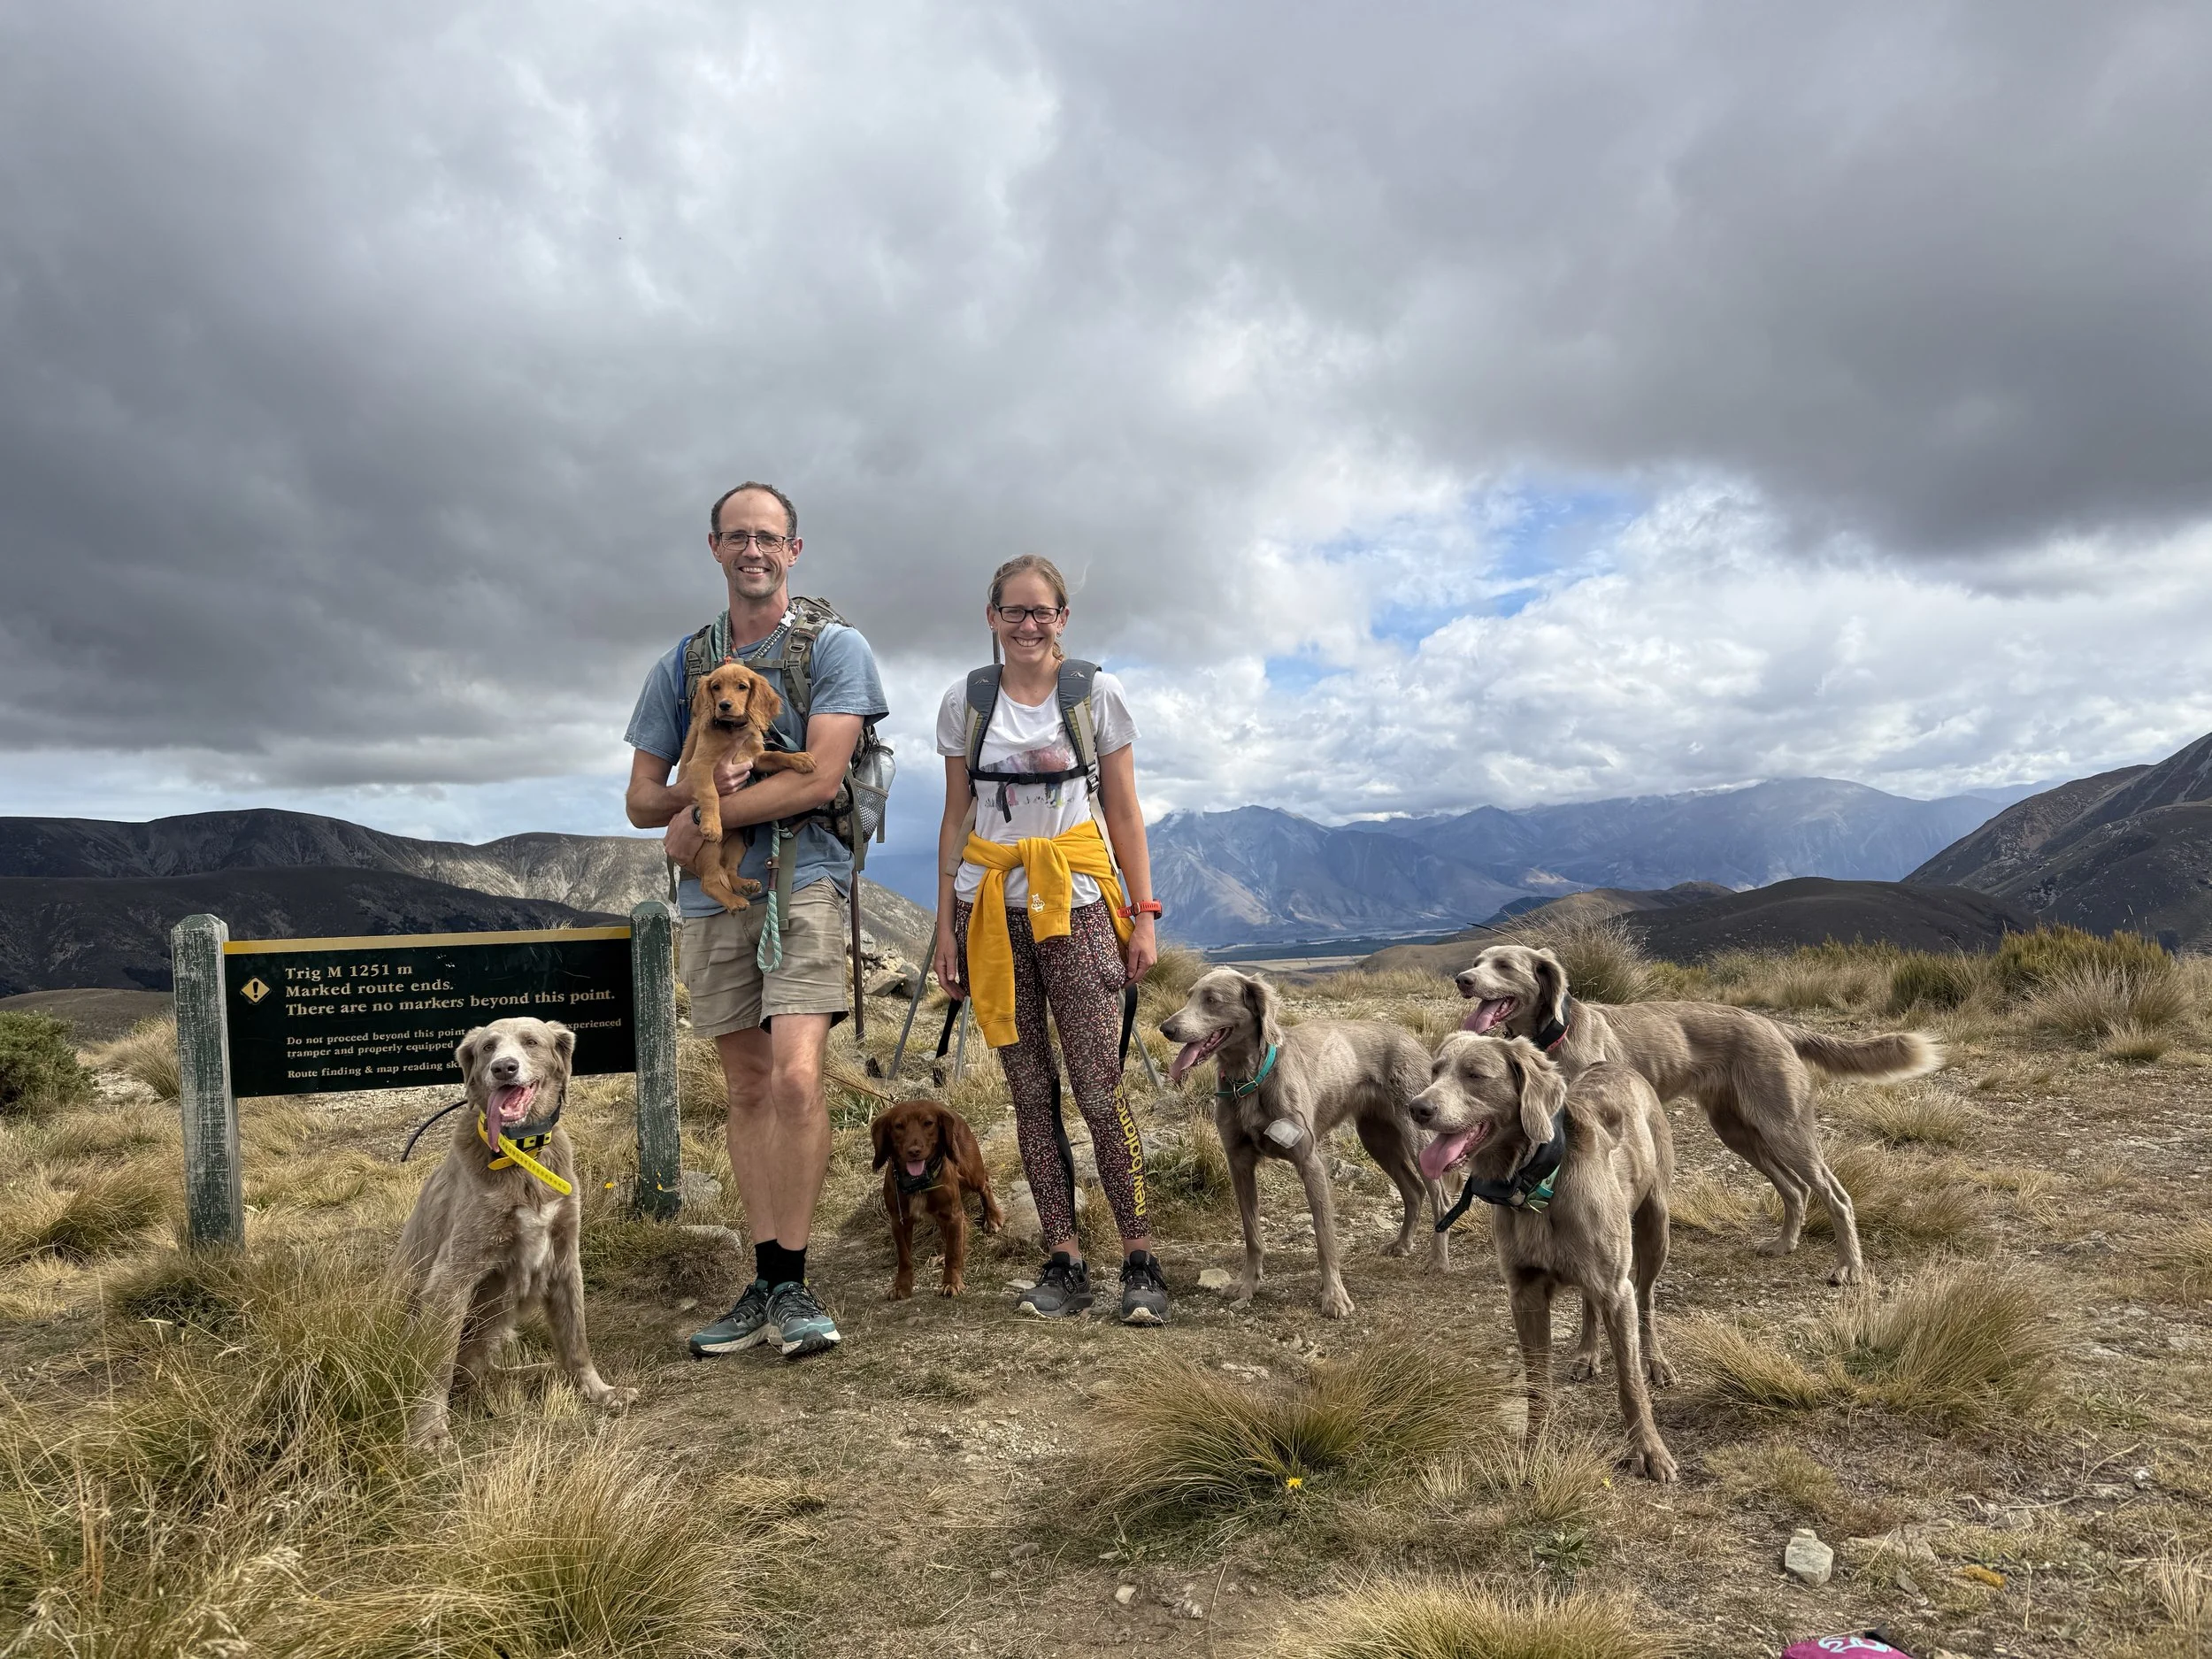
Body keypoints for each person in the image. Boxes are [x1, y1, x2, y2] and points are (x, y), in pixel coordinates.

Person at [625, 480, 887, 1360]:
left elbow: (816, 779)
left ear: (794, 550)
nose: (753, 550)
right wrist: (688, 807)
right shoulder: (683, 665)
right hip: (714, 896)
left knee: (796, 1081)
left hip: (804, 880)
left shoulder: (836, 651)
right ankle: (766, 1275)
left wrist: (698, 820)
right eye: (737, 536)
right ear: (714, 549)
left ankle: (796, 1283)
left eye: (768, 537)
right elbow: (636, 798)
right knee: (743, 1088)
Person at [933, 555, 1169, 1323]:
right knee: (1030, 1092)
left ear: (1063, 618)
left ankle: (1140, 1257)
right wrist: (946, 926)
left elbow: (1125, 809)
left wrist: (1144, 912)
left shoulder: (1095, 694)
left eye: (1042, 612)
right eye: (1014, 611)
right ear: (992, 616)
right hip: (992, 905)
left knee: (1100, 1084)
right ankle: (1063, 1256)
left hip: (1079, 900)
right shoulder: (965, 703)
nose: (1028, 625)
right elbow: (957, 818)